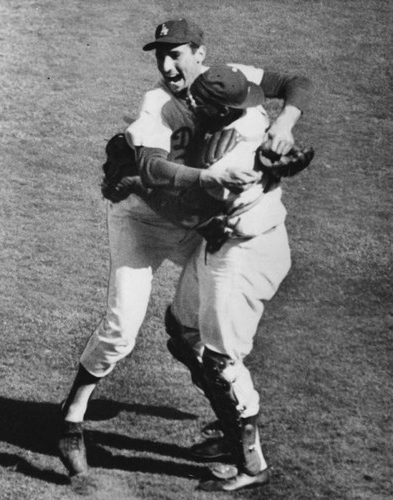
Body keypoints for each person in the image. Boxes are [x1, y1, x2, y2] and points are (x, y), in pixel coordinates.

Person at [58, 17, 312, 482]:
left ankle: (237, 437)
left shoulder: (236, 86)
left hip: (209, 225)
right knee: (124, 331)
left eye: (176, 52)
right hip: (146, 220)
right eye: (161, 53)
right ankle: (71, 419)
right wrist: (201, 178)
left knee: (193, 336)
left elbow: (295, 83)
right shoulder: (161, 105)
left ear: (200, 52)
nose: (167, 62)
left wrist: (287, 124)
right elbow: (152, 171)